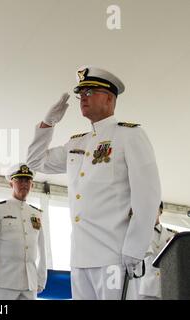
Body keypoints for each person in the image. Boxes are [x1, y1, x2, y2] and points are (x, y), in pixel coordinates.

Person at [26, 66, 161, 299]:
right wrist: (47, 124)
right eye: (81, 93)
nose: (83, 98)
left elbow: (148, 196)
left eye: (90, 91)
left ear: (109, 98)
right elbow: (35, 162)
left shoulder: (129, 135)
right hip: (80, 258)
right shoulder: (76, 143)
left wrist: (135, 248)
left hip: (114, 256)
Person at [0, 163, 47, 300]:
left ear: (32, 185)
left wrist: (41, 278)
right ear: (11, 184)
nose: (24, 184)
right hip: (4, 282)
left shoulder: (36, 213)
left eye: (27, 181)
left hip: (29, 283)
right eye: (19, 180)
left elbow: (42, 249)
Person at [134, 202, 177, 299]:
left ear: (161, 210)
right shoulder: (138, 233)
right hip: (144, 288)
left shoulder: (172, 236)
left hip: (166, 288)